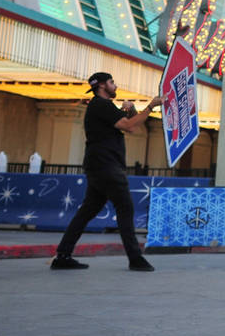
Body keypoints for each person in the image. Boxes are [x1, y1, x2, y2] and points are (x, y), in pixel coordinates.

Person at [51, 73, 162, 271]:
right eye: (112, 82)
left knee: (87, 211)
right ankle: (135, 258)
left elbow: (130, 126)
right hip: (106, 167)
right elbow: (129, 126)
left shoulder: (101, 107)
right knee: (125, 208)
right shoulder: (101, 105)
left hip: (99, 166)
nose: (115, 85)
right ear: (102, 86)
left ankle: (62, 256)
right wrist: (151, 106)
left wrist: (131, 111)